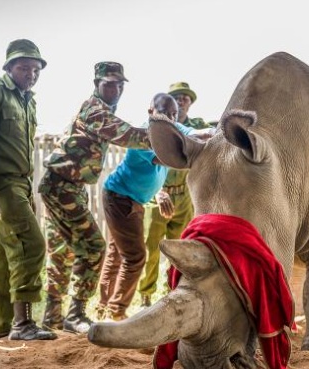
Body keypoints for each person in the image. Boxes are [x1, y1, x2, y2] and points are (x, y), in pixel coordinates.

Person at [38, 62, 151, 334]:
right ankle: (76, 314)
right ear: (97, 84)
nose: (117, 89)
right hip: (61, 186)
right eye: (110, 83)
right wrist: (169, 137)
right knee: (93, 246)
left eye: (121, 84)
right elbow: (129, 135)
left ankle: (52, 318)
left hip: (68, 187)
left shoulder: (101, 111)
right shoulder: (94, 110)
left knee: (62, 253)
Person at [0, 39, 56, 341]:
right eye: (23, 68)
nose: (31, 74)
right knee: (30, 245)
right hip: (1, 184)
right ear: (8, 67)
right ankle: (23, 324)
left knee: (4, 256)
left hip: (21, 184)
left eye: (36, 69)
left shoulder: (28, 101)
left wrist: (29, 191)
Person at [95, 93, 209, 321]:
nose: (169, 118)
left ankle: (104, 307)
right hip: (120, 198)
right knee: (135, 256)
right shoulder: (144, 137)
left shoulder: (173, 129)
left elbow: (193, 133)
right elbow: (172, 155)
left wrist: (214, 133)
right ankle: (116, 312)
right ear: (151, 113)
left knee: (118, 252)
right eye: (164, 113)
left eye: (173, 114)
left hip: (131, 199)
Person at [137, 82, 211, 308]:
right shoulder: (155, 129)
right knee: (151, 249)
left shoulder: (196, 127)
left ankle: (176, 293)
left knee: (182, 249)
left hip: (185, 197)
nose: (181, 101)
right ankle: (145, 298)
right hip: (159, 195)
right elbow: (143, 164)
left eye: (185, 98)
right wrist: (157, 192)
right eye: (176, 97)